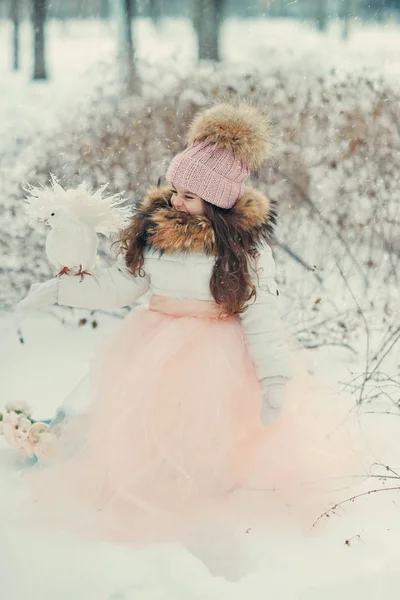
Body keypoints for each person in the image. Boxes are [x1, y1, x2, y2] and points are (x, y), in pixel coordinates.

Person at [16, 102, 365, 549]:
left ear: (216, 205)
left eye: (189, 197)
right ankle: (154, 484)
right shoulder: (154, 235)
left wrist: (273, 374)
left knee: (206, 423)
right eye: (175, 189)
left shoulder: (243, 253)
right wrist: (63, 290)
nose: (175, 201)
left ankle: (209, 499)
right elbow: (121, 286)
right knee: (149, 419)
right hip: (153, 342)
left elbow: (261, 314)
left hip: (216, 350)